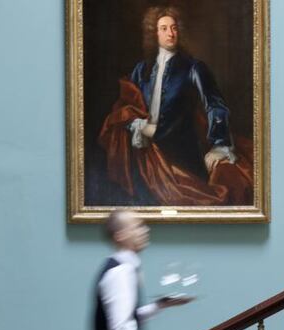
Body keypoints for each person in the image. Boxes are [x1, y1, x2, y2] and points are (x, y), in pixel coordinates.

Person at [98, 6, 253, 206]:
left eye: (174, 28)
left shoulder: (193, 68)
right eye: (163, 28)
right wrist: (137, 125)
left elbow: (215, 105)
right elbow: (127, 104)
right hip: (148, 157)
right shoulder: (141, 69)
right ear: (154, 33)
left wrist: (219, 144)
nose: (170, 33)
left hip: (183, 155)